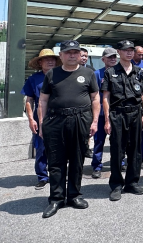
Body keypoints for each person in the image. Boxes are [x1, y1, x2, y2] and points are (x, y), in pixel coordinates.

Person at [37, 40, 100, 219]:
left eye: (75, 52)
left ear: (80, 54)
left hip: (80, 120)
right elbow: (43, 100)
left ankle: (74, 196)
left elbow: (95, 98)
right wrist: (42, 124)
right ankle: (56, 199)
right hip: (55, 121)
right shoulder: (52, 74)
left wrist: (95, 121)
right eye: (68, 52)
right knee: (56, 161)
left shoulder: (88, 73)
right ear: (61, 55)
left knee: (77, 159)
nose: (72, 55)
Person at [102, 40, 143, 202]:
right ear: (119, 52)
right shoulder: (110, 72)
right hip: (117, 114)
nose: (129, 52)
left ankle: (132, 182)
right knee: (117, 150)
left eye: (131, 50)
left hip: (136, 113)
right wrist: (107, 119)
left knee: (135, 150)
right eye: (125, 50)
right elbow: (106, 97)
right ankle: (116, 185)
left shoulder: (140, 72)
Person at [22, 49, 61, 190]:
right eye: (46, 59)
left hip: (60, 117)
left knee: (60, 148)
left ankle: (58, 174)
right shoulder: (33, 79)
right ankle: (42, 176)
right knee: (41, 148)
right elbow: (29, 100)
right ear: (40, 62)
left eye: (52, 59)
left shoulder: (61, 76)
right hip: (40, 118)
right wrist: (31, 119)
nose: (50, 61)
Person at [91, 48, 119, 179]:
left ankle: (119, 163)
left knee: (118, 141)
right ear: (103, 59)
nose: (112, 59)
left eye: (114, 57)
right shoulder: (97, 74)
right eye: (109, 57)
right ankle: (97, 166)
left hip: (117, 112)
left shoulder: (120, 72)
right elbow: (94, 95)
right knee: (99, 141)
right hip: (102, 113)